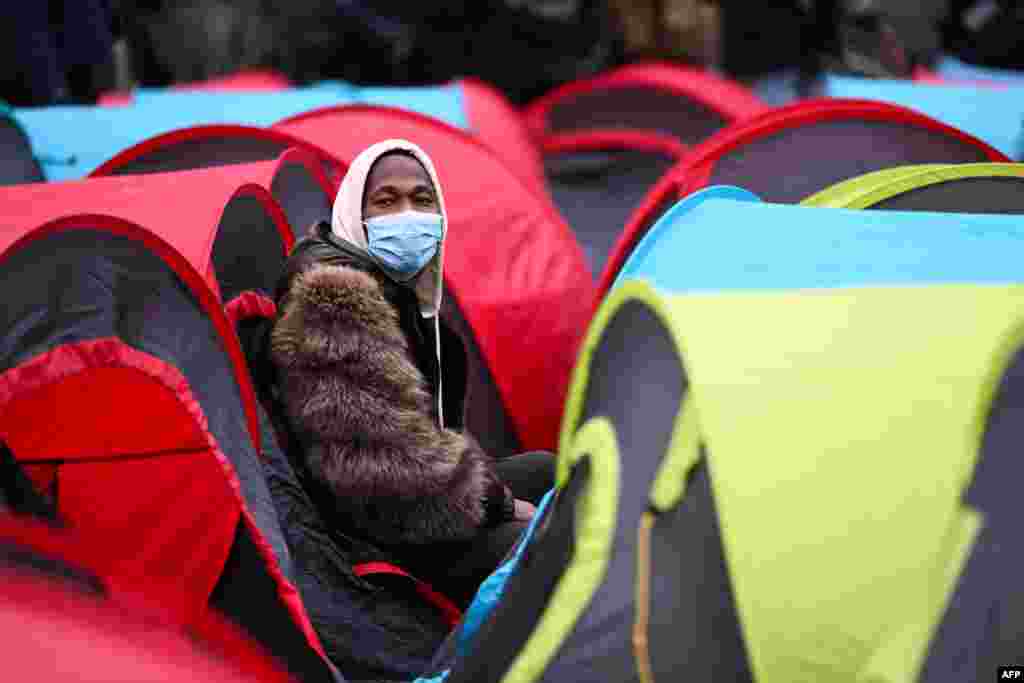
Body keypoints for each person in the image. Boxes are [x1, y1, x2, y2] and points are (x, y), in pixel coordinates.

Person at [268, 139, 554, 610]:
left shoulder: (395, 289)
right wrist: (500, 505)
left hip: (407, 505)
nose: (407, 215)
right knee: (548, 542)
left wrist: (490, 491)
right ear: (356, 216)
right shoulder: (335, 299)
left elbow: (428, 436)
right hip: (373, 536)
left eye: (422, 200)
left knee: (547, 470)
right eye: (386, 201)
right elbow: (380, 469)